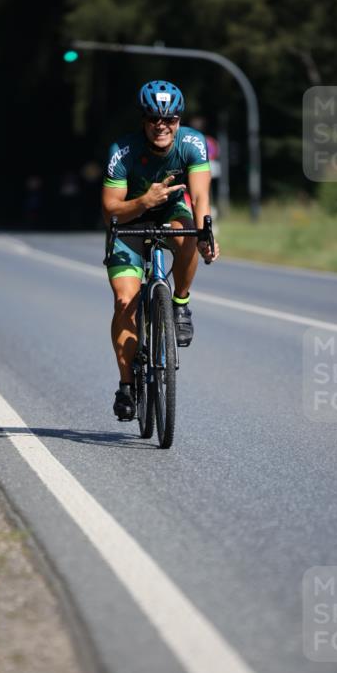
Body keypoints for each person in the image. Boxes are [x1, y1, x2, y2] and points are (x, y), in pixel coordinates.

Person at [102, 80, 220, 421]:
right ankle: (126, 386)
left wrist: (206, 234)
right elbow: (110, 210)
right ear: (144, 119)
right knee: (125, 302)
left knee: (188, 235)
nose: (162, 125)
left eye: (170, 119)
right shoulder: (122, 150)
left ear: (179, 120)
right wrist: (144, 201)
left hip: (170, 213)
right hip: (128, 221)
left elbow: (201, 196)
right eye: (154, 118)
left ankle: (180, 304)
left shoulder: (192, 143)